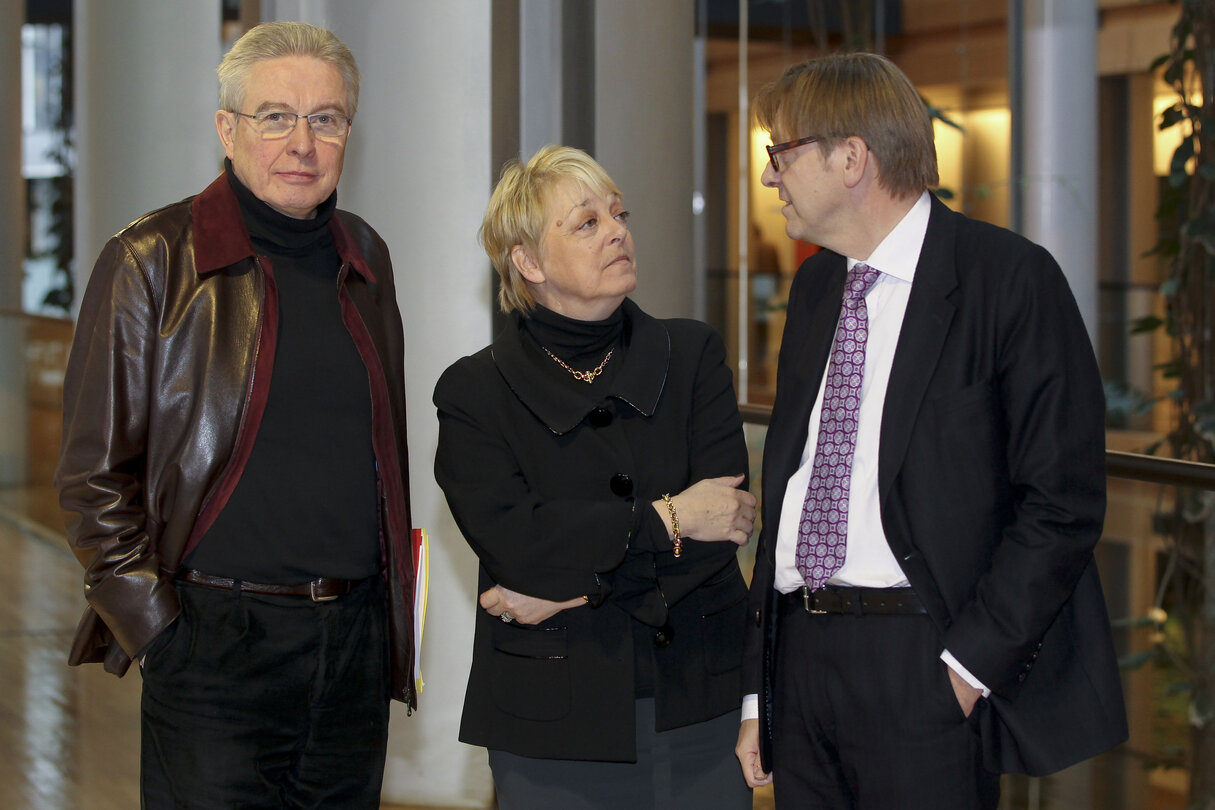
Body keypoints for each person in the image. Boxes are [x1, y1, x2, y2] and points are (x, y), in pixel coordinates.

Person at [734, 53, 1128, 809]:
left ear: (850, 158)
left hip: (923, 659)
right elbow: (791, 484)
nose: (767, 178)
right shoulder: (816, 285)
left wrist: (963, 671)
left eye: (779, 154)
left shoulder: (1007, 279)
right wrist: (760, 688)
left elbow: (1061, 502)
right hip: (802, 653)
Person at [55, 21, 414, 808]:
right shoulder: (151, 259)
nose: (303, 141)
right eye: (274, 116)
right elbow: (91, 479)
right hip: (214, 642)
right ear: (227, 128)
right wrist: (162, 638)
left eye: (326, 118)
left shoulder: (366, 258)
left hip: (351, 644)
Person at [434, 144, 756, 810]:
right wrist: (668, 519)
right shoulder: (474, 391)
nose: (617, 231)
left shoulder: (692, 353)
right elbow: (519, 549)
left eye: (618, 214)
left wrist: (568, 591)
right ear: (526, 261)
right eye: (585, 222)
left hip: (698, 705)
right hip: (553, 725)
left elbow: (721, 526)